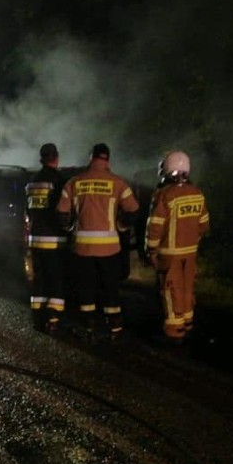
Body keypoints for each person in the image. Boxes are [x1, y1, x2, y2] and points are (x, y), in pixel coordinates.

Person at [56, 143, 139, 341]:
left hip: (82, 248)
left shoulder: (74, 182)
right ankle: (115, 328)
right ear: (107, 159)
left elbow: (61, 213)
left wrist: (69, 229)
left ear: (90, 158)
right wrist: (121, 225)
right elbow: (134, 210)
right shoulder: (118, 183)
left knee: (86, 289)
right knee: (110, 287)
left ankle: (89, 327)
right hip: (110, 249)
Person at [144, 150, 210, 344]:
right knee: (187, 289)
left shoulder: (164, 195)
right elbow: (204, 224)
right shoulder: (197, 193)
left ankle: (174, 332)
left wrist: (151, 250)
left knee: (170, 291)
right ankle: (187, 323)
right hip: (190, 253)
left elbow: (155, 226)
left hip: (169, 254)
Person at [25, 142, 68, 333]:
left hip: (35, 240)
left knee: (39, 280)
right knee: (55, 280)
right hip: (54, 240)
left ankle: (37, 320)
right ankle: (53, 319)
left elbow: (28, 211)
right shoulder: (59, 181)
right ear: (56, 158)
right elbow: (62, 211)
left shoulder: (32, 182)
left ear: (42, 158)